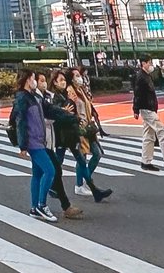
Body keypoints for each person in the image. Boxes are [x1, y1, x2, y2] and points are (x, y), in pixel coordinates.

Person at [12, 71, 61, 221]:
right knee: (50, 171)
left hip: (39, 140)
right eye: (33, 79)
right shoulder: (22, 98)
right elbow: (20, 122)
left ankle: (34, 207)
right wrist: (23, 145)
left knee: (38, 174)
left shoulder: (34, 96)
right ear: (27, 80)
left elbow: (47, 110)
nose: (35, 82)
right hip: (33, 141)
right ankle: (41, 205)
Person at [67, 70, 114, 202]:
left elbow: (89, 106)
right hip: (80, 129)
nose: (79, 77)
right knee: (82, 157)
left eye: (79, 75)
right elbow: (71, 108)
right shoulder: (70, 90)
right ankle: (81, 184)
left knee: (96, 153)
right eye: (76, 76)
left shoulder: (81, 89)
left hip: (88, 128)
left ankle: (85, 181)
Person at [39, 72, 80, 218]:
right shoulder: (33, 98)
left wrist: (65, 112)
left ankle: (42, 204)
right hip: (39, 141)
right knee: (53, 170)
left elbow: (53, 111)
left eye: (44, 80)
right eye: (40, 80)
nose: (43, 83)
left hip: (48, 140)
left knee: (47, 172)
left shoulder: (45, 97)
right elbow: (45, 116)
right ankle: (45, 205)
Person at [132, 59, 164, 173]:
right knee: (162, 134)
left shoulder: (146, 76)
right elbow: (137, 94)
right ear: (143, 63)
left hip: (149, 108)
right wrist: (135, 109)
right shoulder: (141, 77)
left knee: (148, 135)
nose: (151, 65)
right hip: (147, 109)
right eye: (149, 63)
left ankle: (146, 162)